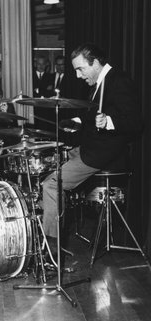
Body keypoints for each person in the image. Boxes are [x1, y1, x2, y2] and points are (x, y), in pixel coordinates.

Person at [42, 43, 143, 256]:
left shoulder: (119, 81)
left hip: (103, 153)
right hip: (88, 147)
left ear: (95, 62)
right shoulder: (98, 82)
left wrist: (108, 121)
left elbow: (135, 124)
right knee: (46, 161)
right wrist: (77, 120)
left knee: (51, 185)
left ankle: (51, 249)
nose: (78, 76)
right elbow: (94, 114)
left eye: (81, 69)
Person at [33, 55, 55, 131]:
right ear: (35, 64)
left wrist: (37, 90)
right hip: (33, 108)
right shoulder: (30, 76)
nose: (41, 66)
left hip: (46, 110)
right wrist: (44, 90)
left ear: (46, 65)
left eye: (43, 64)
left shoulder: (51, 77)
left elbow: (50, 93)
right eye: (39, 64)